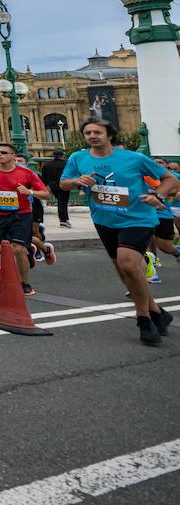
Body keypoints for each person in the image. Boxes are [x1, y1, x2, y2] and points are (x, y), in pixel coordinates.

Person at [59, 119, 178, 345]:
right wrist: (76, 181)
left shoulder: (134, 158)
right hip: (104, 220)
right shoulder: (78, 157)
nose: (92, 136)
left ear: (109, 135)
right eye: (88, 132)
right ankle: (157, 312)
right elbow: (63, 184)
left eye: (97, 132)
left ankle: (143, 319)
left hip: (138, 218)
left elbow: (169, 179)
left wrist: (158, 196)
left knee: (127, 264)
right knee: (125, 272)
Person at [0, 143, 49, 298]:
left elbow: (46, 194)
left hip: (21, 214)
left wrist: (29, 191)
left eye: (3, 152)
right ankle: (29, 249)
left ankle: (25, 283)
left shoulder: (26, 173)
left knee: (17, 249)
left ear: (13, 156)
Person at [41, 148, 71, 228]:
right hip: (64, 185)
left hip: (52, 186)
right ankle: (63, 221)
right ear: (62, 156)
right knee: (63, 203)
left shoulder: (47, 164)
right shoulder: (66, 163)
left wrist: (46, 186)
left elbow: (44, 177)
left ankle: (66, 219)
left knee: (61, 202)